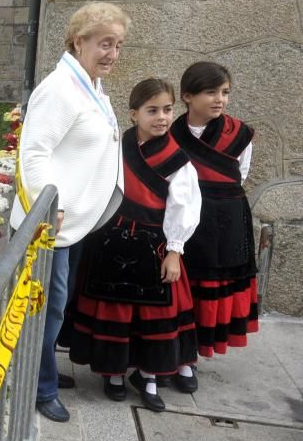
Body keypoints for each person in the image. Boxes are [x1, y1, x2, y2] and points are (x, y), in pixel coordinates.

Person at [11, 2, 130, 423]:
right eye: (104, 43)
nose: (113, 53)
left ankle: (40, 371)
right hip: (50, 227)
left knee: (54, 307)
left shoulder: (89, 86)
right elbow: (33, 153)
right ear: (79, 42)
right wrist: (48, 209)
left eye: (117, 44)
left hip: (72, 225)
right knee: (44, 307)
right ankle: (38, 389)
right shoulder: (61, 89)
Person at [69, 79, 201, 411]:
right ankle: (113, 372)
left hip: (154, 244)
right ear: (133, 114)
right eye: (152, 110)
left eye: (168, 110)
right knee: (114, 309)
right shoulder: (116, 147)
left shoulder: (178, 161)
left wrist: (174, 250)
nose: (162, 117)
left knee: (151, 314)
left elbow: (183, 206)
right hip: (110, 242)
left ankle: (149, 374)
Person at [170, 62, 259, 358]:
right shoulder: (172, 134)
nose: (220, 99)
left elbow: (240, 175)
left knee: (211, 286)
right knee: (184, 285)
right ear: (187, 96)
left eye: (225, 92)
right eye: (211, 92)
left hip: (225, 221)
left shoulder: (240, 135)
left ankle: (194, 355)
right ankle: (173, 351)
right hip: (186, 221)